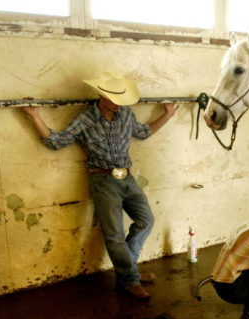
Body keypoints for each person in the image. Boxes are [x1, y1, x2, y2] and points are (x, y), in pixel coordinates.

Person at [22, 71, 179, 300]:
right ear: (101, 96)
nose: (118, 104)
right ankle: (130, 280)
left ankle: (129, 271)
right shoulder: (85, 119)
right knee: (115, 234)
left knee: (146, 220)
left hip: (127, 177)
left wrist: (168, 115)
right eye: (114, 99)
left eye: (121, 99)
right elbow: (57, 142)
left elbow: (144, 133)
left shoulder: (126, 114)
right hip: (103, 179)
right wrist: (34, 116)